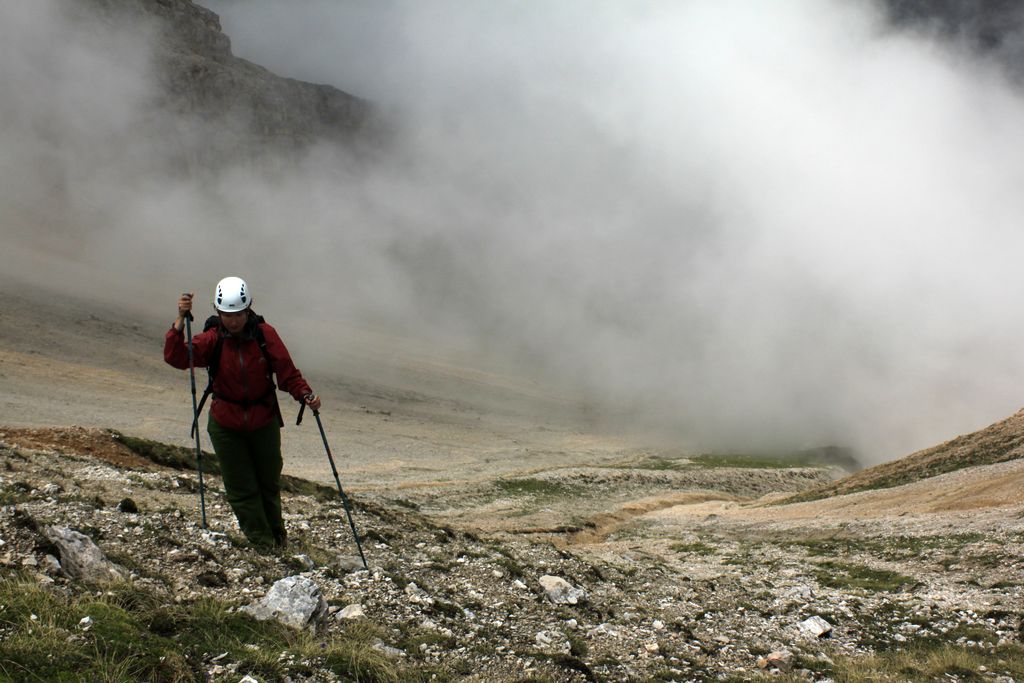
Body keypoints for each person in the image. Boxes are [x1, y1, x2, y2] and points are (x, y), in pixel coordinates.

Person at [164, 276, 320, 549]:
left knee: (268, 483)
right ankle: (263, 544)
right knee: (242, 487)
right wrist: (179, 319)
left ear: (248, 310)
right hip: (226, 424)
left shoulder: (264, 334)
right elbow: (177, 357)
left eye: (237, 314)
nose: (233, 321)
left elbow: (286, 372)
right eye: (226, 314)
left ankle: (277, 537)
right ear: (218, 311)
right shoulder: (213, 339)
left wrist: (305, 394)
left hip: (264, 420)